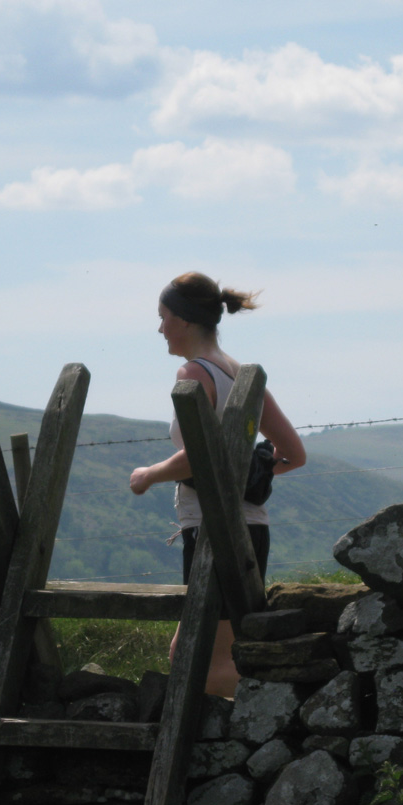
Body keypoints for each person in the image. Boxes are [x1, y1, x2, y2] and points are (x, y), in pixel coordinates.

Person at [129, 272, 306, 698]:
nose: (159, 328)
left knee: (206, 666)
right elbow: (293, 454)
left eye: (163, 317)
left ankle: (298, 695)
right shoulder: (243, 375)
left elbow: (197, 455)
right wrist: (245, 478)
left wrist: (148, 475)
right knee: (188, 653)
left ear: (185, 321)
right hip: (252, 530)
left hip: (214, 535)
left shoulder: (193, 373)